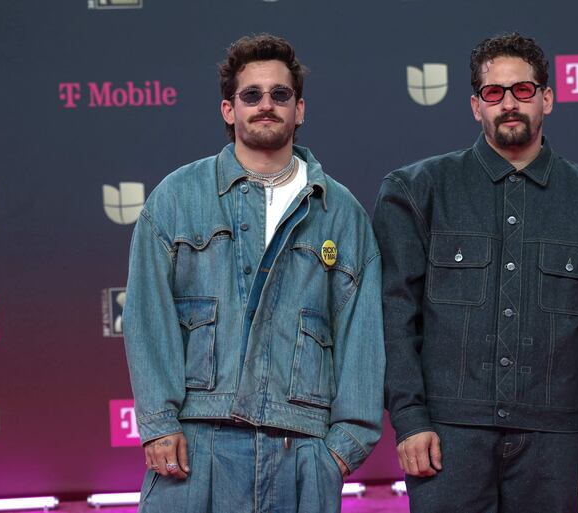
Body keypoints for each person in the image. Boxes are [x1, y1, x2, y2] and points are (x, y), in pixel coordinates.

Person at [373, 32, 578, 513]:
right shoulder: (417, 191)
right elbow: (393, 317)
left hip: (553, 444)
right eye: (494, 93)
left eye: (522, 91)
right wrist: (411, 419)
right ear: (476, 105)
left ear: (547, 98)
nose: (509, 104)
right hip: (448, 438)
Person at [123, 33, 384, 513]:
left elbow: (362, 336)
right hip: (194, 447)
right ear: (229, 110)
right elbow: (146, 318)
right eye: (252, 95)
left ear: (299, 109)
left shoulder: (341, 213)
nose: (267, 105)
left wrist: (341, 450)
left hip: (301, 451)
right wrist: (159, 425)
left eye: (280, 95)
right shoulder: (176, 198)